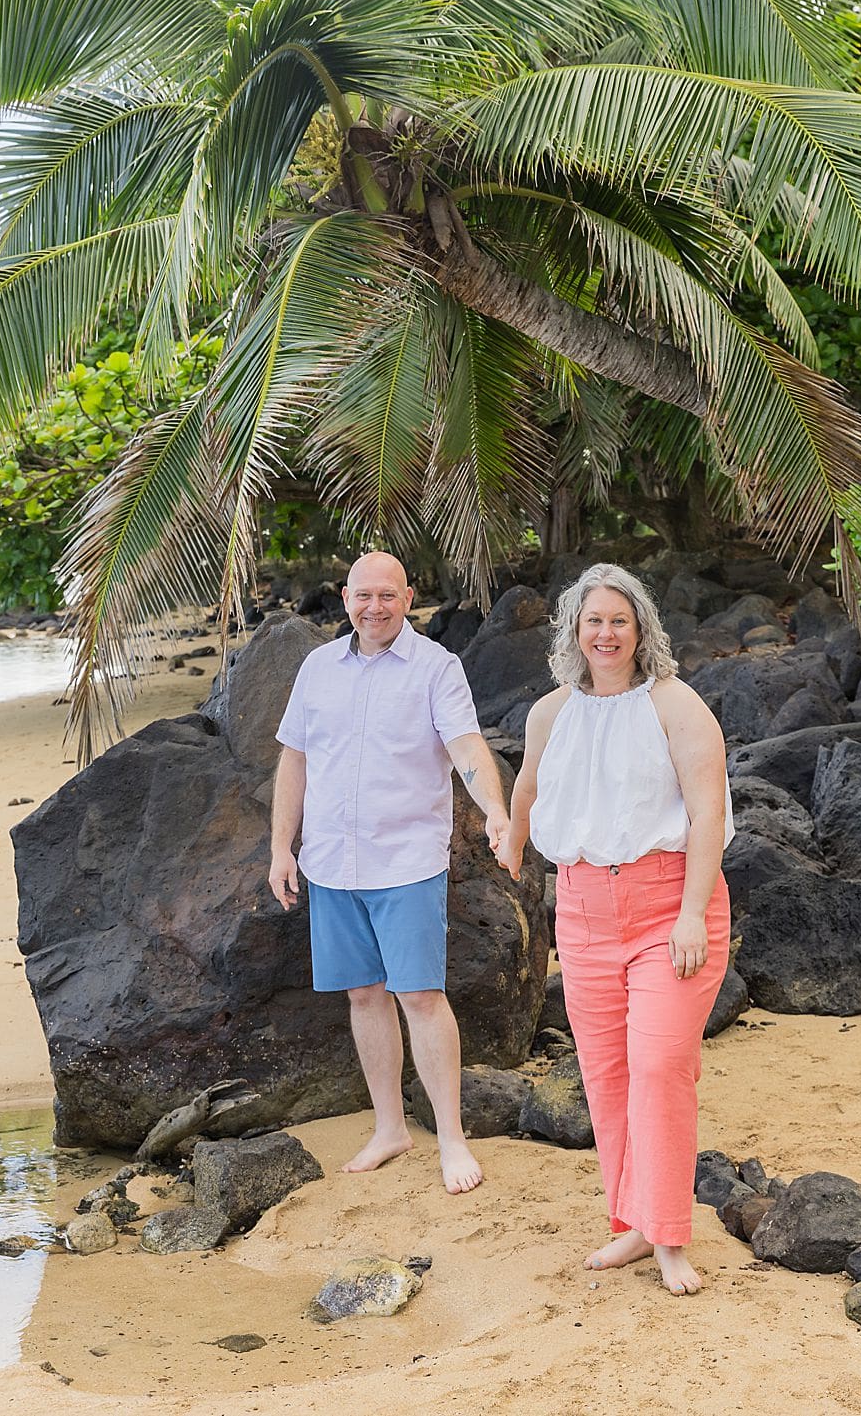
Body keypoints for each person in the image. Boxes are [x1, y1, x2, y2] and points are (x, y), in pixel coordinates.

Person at [492, 562, 733, 1294]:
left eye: (619, 621)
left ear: (641, 630)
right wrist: (510, 832)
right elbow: (529, 782)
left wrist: (692, 911)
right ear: (573, 630)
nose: (606, 633)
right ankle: (633, 1221)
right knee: (606, 1075)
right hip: (585, 911)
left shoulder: (675, 702)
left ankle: (668, 1237)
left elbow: (707, 812)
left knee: (661, 1068)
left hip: (670, 908)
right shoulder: (551, 711)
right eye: (593, 620)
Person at [269, 551, 511, 1195]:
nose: (373, 608)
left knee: (422, 997)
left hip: (405, 861)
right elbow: (294, 761)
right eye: (361, 596)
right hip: (329, 862)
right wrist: (280, 848)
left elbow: (466, 749)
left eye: (387, 596)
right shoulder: (317, 667)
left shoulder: (438, 668)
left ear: (409, 598)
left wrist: (495, 811)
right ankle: (390, 1128)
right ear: (344, 598)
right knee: (363, 994)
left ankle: (452, 1140)